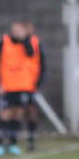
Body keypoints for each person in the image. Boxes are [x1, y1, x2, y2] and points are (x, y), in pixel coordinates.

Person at [0, 20, 40, 156]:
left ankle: (13, 143)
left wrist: (24, 39)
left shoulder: (27, 43)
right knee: (5, 113)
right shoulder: (4, 41)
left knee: (17, 114)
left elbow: (31, 54)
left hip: (22, 85)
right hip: (6, 85)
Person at [23, 21, 46, 151]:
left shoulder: (36, 42)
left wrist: (39, 82)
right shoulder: (14, 42)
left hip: (31, 84)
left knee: (31, 112)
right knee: (16, 112)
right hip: (16, 85)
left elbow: (42, 63)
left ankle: (31, 141)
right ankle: (11, 141)